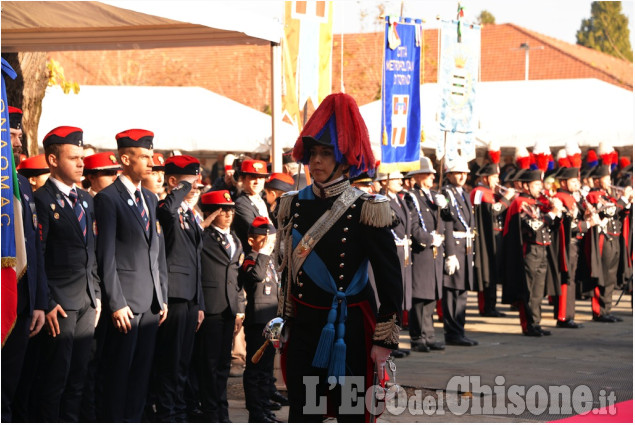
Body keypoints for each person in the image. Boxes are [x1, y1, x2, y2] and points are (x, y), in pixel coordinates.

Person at [276, 93, 403, 422]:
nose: (316, 161)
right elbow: (289, 271)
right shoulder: (295, 202)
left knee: (350, 412)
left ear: (345, 159)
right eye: (313, 153)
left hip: (349, 330)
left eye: (326, 153)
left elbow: (390, 281)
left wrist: (383, 341)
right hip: (305, 328)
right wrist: (284, 320)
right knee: (304, 414)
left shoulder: (367, 208)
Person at [94, 129, 168, 422]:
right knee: (118, 377)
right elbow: (106, 255)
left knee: (141, 376)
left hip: (150, 304)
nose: (151, 163)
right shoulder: (108, 198)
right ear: (125, 158)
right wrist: (116, 302)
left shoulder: (149, 198)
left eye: (151, 156)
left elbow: (156, 251)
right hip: (125, 305)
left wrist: (161, 296)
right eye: (145, 157)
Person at [32, 126, 101, 421]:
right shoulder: (42, 201)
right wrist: (46, 301)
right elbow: (38, 256)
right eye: (73, 158)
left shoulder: (86, 199)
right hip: (60, 305)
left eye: (82, 157)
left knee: (78, 379)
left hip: (86, 301)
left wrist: (95, 294)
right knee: (54, 381)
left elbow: (92, 253)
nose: (81, 163)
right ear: (52, 160)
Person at [150, 155, 206, 422]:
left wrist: (200, 304)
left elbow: (196, 261)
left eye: (196, 181)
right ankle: (168, 414)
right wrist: (182, 187)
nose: (196, 186)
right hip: (173, 295)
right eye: (190, 181)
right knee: (170, 363)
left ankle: (179, 412)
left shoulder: (190, 214)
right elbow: (168, 210)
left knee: (183, 362)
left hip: (190, 297)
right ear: (173, 181)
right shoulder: (167, 206)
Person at [1, 107, 48, 423]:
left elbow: (35, 249)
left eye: (17, 134)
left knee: (11, 386)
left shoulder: (20, 184)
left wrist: (39, 303)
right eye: (12, 134)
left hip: (20, 301)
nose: (17, 141)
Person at [195, 190, 245, 422]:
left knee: (223, 364)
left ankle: (221, 411)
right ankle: (210, 412)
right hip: (210, 308)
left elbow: (236, 277)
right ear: (208, 212)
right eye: (222, 209)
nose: (228, 214)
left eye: (231, 209)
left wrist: (239, 307)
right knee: (208, 364)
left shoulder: (235, 239)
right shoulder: (202, 237)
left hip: (229, 309)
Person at [502, 169, 563, 336]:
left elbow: (549, 225)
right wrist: (552, 214)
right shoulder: (521, 202)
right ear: (526, 186)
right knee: (527, 290)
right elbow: (533, 225)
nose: (540, 188)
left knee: (538, 290)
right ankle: (527, 324)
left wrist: (556, 212)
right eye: (536, 184)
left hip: (542, 249)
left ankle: (536, 322)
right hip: (529, 250)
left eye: (540, 184)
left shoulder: (538, 202)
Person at [240, 217, 282, 423]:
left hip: (273, 320)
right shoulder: (251, 258)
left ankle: (265, 408)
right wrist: (264, 251)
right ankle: (256, 412)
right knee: (256, 366)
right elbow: (255, 276)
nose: (269, 244)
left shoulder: (271, 261)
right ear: (251, 240)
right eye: (264, 239)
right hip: (258, 320)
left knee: (266, 368)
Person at [406, 156, 446, 353]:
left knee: (431, 296)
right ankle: (418, 337)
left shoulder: (433, 196)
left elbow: (445, 220)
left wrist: (443, 206)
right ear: (418, 176)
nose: (432, 177)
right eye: (429, 174)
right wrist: (429, 239)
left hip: (434, 253)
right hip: (421, 252)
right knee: (420, 297)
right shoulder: (411, 197)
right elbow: (412, 227)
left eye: (433, 174)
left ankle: (429, 336)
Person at [584, 165, 631, 322]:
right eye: (606, 178)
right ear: (597, 180)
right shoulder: (594, 195)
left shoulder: (608, 195)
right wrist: (622, 200)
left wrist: (627, 202)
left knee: (610, 276)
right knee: (602, 276)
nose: (609, 181)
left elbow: (620, 214)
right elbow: (608, 211)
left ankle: (607, 309)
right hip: (604, 239)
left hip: (615, 239)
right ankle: (598, 311)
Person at [440, 157, 479, 346]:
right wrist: (450, 253)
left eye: (465, 173)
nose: (463, 176)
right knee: (452, 292)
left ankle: (459, 329)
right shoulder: (446, 193)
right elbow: (447, 223)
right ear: (449, 175)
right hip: (455, 245)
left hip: (465, 246)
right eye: (458, 173)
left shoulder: (462, 193)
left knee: (462, 292)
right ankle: (452, 332)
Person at [552, 167, 595, 328]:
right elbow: (567, 225)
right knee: (566, 279)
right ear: (563, 182)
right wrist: (587, 224)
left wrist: (588, 213)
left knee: (572, 280)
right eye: (573, 181)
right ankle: (563, 316)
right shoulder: (560, 198)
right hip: (567, 243)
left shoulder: (573, 197)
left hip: (576, 244)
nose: (577, 184)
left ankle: (569, 314)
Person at [470, 162, 515, 318]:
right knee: (486, 273)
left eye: (497, 176)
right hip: (485, 238)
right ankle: (486, 306)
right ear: (485, 177)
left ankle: (492, 305)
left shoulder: (490, 192)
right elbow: (492, 212)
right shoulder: (479, 192)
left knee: (494, 272)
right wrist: (506, 199)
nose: (497, 180)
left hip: (496, 237)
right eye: (494, 177)